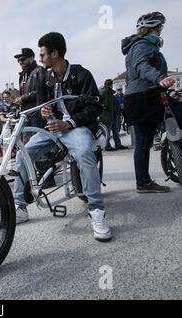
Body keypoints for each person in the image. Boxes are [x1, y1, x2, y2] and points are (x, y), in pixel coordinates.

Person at [13, 32, 112, 242]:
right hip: (53, 128)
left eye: (42, 54)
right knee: (22, 154)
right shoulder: (44, 77)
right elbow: (42, 105)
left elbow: (94, 107)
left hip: (76, 127)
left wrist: (69, 122)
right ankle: (20, 207)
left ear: (55, 53)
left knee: (85, 153)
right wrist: (44, 112)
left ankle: (96, 211)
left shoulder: (82, 74)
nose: (40, 59)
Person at [122, 12, 179, 193]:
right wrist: (159, 78)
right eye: (161, 26)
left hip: (141, 96)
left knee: (143, 142)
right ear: (156, 27)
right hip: (144, 97)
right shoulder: (143, 44)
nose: (162, 30)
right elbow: (141, 66)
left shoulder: (139, 44)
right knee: (143, 142)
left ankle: (144, 182)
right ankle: (144, 183)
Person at [13, 48, 46, 142]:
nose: (20, 62)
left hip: (36, 113)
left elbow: (40, 92)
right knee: (27, 144)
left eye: (22, 59)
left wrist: (22, 98)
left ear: (31, 59)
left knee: (36, 143)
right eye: (18, 60)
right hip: (26, 113)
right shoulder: (23, 75)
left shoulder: (39, 70)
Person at [99, 80, 128, 151]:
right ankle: (107, 146)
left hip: (113, 115)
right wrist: (103, 106)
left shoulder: (110, 93)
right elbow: (98, 101)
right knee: (107, 132)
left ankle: (118, 145)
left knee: (116, 131)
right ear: (111, 85)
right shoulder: (104, 92)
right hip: (106, 116)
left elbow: (114, 104)